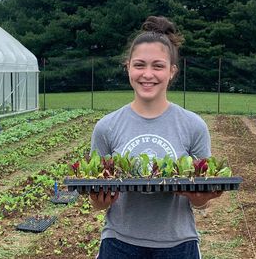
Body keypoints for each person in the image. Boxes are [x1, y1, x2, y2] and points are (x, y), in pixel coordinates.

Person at [89, 16, 222, 258]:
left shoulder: (193, 126)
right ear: (127, 67)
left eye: (158, 66)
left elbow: (201, 202)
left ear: (172, 71)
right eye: (139, 65)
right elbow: (97, 203)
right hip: (119, 243)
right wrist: (101, 200)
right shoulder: (106, 127)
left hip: (178, 246)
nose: (147, 74)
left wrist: (200, 197)